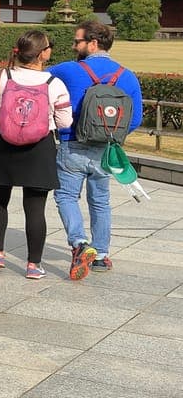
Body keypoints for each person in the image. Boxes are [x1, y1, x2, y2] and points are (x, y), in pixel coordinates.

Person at [50, 19, 144, 278]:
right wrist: (111, 136)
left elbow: (38, 77)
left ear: (92, 44)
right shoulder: (127, 76)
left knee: (66, 196)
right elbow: (135, 119)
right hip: (106, 149)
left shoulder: (68, 69)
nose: (73, 45)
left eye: (77, 41)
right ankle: (101, 254)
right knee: (100, 201)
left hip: (73, 144)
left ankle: (79, 243)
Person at [0, 30, 73, 279]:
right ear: (44, 53)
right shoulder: (54, 84)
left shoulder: (0, 76)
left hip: (4, 144)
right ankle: (34, 265)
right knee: (35, 208)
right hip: (39, 148)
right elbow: (64, 122)